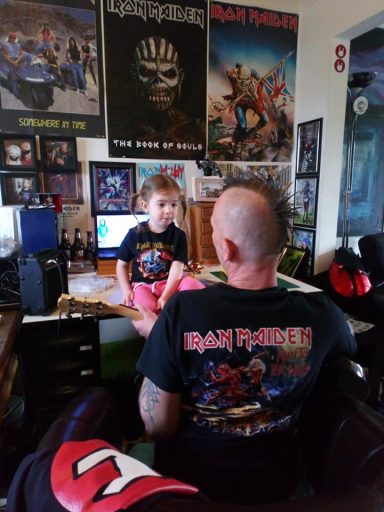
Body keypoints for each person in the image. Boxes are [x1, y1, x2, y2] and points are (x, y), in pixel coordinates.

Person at [133, 174, 357, 506]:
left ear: (226, 248)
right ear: (282, 247)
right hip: (285, 491)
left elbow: (156, 428)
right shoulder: (321, 314)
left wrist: (159, 339)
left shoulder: (182, 313)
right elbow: (348, 359)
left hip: (192, 494)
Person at [116, 175, 205, 314]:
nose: (169, 210)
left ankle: (186, 325)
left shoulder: (179, 236)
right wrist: (126, 290)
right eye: (161, 204)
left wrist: (166, 296)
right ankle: (157, 332)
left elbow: (177, 270)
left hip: (171, 284)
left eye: (174, 204)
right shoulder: (134, 234)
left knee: (195, 286)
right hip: (143, 285)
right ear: (146, 206)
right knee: (147, 309)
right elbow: (121, 265)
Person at [2, 32, 31, 98]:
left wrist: (17, 61)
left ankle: (29, 71)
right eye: (13, 37)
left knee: (28, 57)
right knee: (13, 75)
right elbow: (6, 56)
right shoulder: (5, 45)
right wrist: (13, 63)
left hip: (17, 59)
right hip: (10, 60)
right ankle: (15, 90)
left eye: (15, 38)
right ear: (10, 38)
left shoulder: (17, 44)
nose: (14, 39)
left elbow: (22, 54)